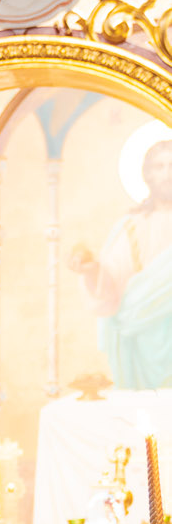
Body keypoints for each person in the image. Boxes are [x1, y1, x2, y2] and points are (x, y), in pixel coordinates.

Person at [72, 135, 172, 391]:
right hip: (141, 336)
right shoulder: (131, 227)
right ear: (148, 175)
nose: (167, 174)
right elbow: (112, 280)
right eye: (160, 166)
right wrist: (93, 271)